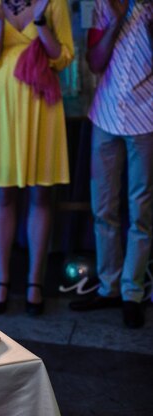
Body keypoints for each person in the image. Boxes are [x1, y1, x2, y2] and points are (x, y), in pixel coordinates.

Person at [0, 0, 74, 315]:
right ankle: (2, 279)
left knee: (41, 194)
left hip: (43, 103)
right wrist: (0, 22)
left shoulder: (54, 2)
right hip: (1, 104)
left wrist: (40, 21)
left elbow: (63, 57)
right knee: (3, 195)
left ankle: (34, 281)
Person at [69, 0, 152, 328]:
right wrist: (116, 21)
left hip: (146, 116)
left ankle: (132, 292)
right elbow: (94, 62)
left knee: (141, 210)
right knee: (103, 208)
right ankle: (109, 287)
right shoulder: (100, 4)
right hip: (105, 114)